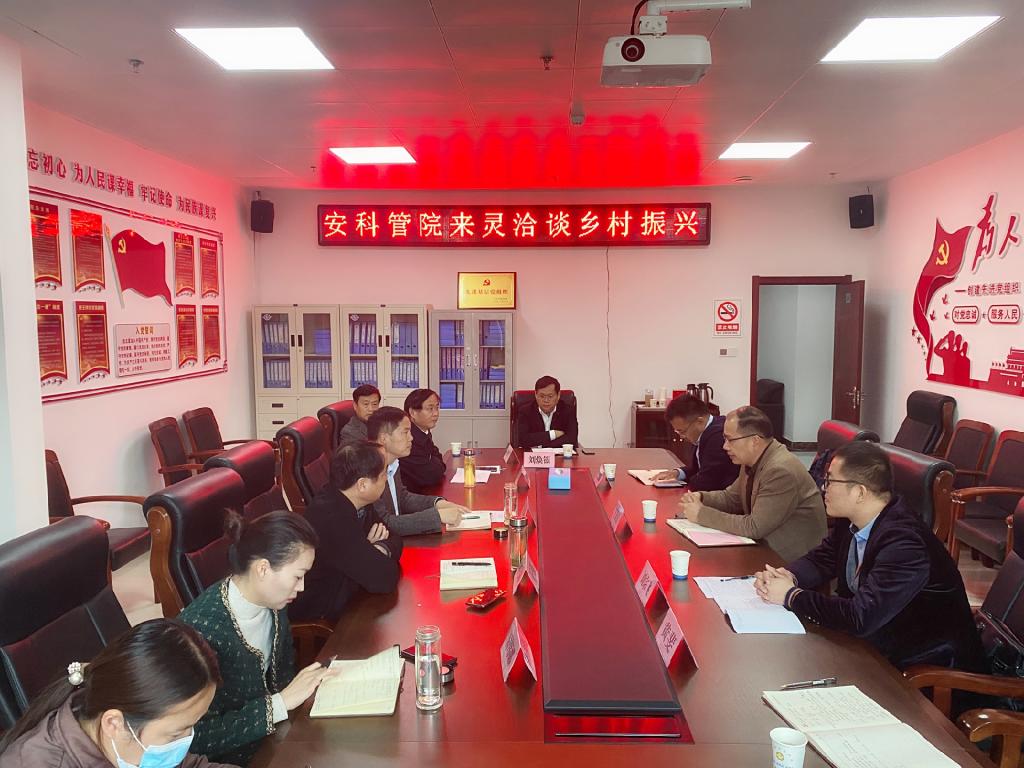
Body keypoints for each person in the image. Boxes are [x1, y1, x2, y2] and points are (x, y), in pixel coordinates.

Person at [755, 441, 985, 671]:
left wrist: (792, 596)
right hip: (874, 647)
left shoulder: (904, 544)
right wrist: (787, 576)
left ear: (860, 492)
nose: (823, 488)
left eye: (830, 481)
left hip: (927, 667)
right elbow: (823, 559)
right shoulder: (853, 520)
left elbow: (861, 617)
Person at [178, 511, 332, 766]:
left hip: (280, 735)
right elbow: (196, 737)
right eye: (297, 576)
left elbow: (284, 674)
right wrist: (279, 705)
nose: (302, 587)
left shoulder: (273, 601)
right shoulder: (201, 631)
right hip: (237, 758)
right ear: (263, 568)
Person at [0, 618, 235, 767]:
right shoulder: (36, 762)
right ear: (113, 723)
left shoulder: (135, 733)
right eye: (175, 735)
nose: (184, 742)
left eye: (190, 727)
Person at [677, 406, 826, 562]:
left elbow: (754, 527)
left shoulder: (780, 470)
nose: (725, 446)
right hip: (763, 548)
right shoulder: (752, 459)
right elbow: (732, 498)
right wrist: (701, 497)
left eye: (730, 440)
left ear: (754, 441)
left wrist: (701, 514)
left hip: (791, 560)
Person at [290, 440, 404, 623]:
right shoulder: (332, 519)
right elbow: (384, 579)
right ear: (363, 485)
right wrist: (370, 552)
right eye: (383, 473)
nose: (386, 478)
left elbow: (395, 539)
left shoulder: (357, 500)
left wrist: (377, 550)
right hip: (322, 614)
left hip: (350, 593)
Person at [369, 406, 468, 534]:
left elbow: (402, 498)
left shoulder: (393, 463)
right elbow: (385, 523)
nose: (411, 438)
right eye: (405, 432)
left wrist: (437, 503)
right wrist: (437, 516)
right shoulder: (369, 471)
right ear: (384, 439)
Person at [653, 394, 739, 491]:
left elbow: (706, 482)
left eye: (682, 431)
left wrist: (680, 483)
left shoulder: (718, 437)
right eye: (677, 431)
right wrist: (677, 473)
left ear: (699, 421)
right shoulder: (706, 430)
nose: (681, 436)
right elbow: (698, 469)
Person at [400, 388, 446, 492]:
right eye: (430, 408)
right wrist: (434, 461)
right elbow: (431, 475)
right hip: (411, 496)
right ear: (413, 412)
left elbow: (439, 459)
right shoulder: (408, 439)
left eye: (437, 408)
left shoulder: (423, 431)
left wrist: (433, 461)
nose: (436, 413)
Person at [514, 375, 579, 449]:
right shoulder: (525, 411)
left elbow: (571, 439)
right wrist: (553, 434)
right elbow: (524, 440)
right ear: (536, 395)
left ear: (558, 395)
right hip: (533, 455)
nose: (546, 400)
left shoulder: (568, 411)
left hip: (559, 455)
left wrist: (542, 444)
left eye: (550, 396)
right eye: (542, 396)